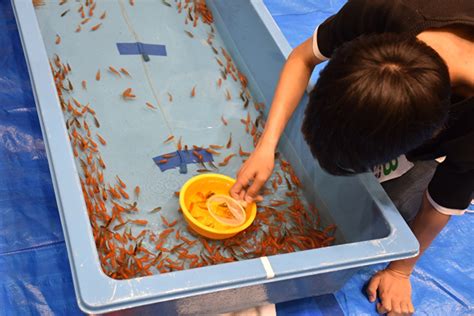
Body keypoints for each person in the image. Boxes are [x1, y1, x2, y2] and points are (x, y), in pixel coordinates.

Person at [230, 0, 474, 314]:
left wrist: (401, 269)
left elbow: (445, 200)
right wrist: (267, 144)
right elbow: (303, 58)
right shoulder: (380, 9)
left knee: (395, 204)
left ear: (435, 131)